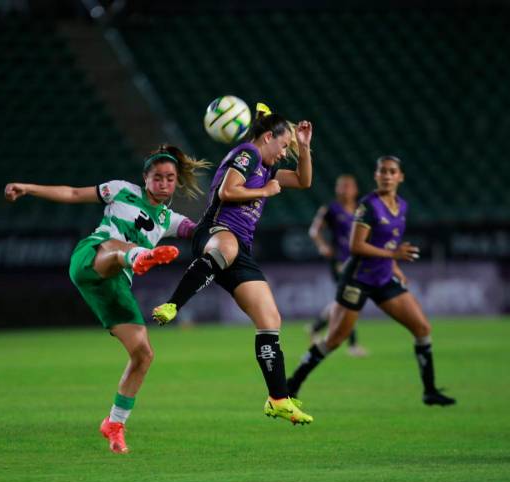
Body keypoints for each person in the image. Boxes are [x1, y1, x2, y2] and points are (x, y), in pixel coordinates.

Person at [4, 144, 209, 453]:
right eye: (158, 177)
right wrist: (28, 188)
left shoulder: (169, 219)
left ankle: (114, 424)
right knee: (116, 245)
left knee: (143, 354)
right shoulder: (121, 190)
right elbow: (73, 194)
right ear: (145, 178)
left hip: (114, 285)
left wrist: (229, 222)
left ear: (176, 181)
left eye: (170, 178)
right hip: (92, 256)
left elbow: (199, 231)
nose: (164, 183)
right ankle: (141, 256)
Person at [152, 103, 315, 425]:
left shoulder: (266, 167)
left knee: (270, 319)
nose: (285, 153)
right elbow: (227, 191)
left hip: (241, 250)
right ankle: (172, 305)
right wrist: (266, 190)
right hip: (215, 232)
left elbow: (303, 180)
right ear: (268, 137)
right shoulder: (248, 154)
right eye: (284, 146)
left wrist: (305, 148)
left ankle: (278, 399)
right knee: (226, 247)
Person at [287, 156, 456, 406]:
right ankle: (291, 384)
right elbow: (357, 247)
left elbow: (390, 242)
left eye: (392, 171)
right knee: (334, 340)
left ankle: (429, 391)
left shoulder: (403, 206)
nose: (387, 175)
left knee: (422, 329)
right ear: (376, 176)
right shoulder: (368, 206)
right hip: (357, 278)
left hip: (384, 277)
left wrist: (395, 265)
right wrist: (394, 256)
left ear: (400, 177)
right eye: (382, 171)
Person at [308, 174, 368, 357]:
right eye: (341, 186)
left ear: (355, 189)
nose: (344, 190)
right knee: (350, 298)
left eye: (348, 186)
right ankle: (353, 345)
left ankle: (316, 327)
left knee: (342, 301)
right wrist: (323, 246)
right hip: (340, 261)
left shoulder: (361, 210)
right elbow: (314, 231)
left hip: (357, 260)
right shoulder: (330, 209)